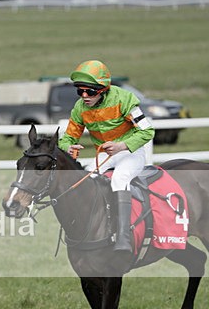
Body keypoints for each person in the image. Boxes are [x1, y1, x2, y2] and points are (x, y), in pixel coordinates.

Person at [58, 60, 155, 254]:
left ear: (102, 89)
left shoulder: (125, 99)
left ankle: (123, 238)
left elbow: (148, 131)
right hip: (105, 156)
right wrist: (68, 147)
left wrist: (121, 146)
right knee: (85, 179)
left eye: (90, 92)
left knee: (119, 179)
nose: (84, 96)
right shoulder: (80, 108)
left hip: (131, 153)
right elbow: (68, 137)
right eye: (80, 91)